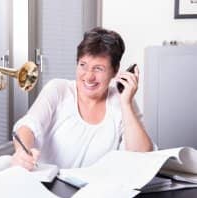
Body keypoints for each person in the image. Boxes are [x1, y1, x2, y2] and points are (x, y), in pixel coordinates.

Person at [11, 27, 154, 171]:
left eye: (98, 69)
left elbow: (141, 156)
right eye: (83, 65)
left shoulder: (122, 101)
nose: (88, 76)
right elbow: (28, 126)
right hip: (49, 186)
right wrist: (22, 153)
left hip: (97, 189)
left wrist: (126, 104)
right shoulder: (58, 89)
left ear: (115, 70)